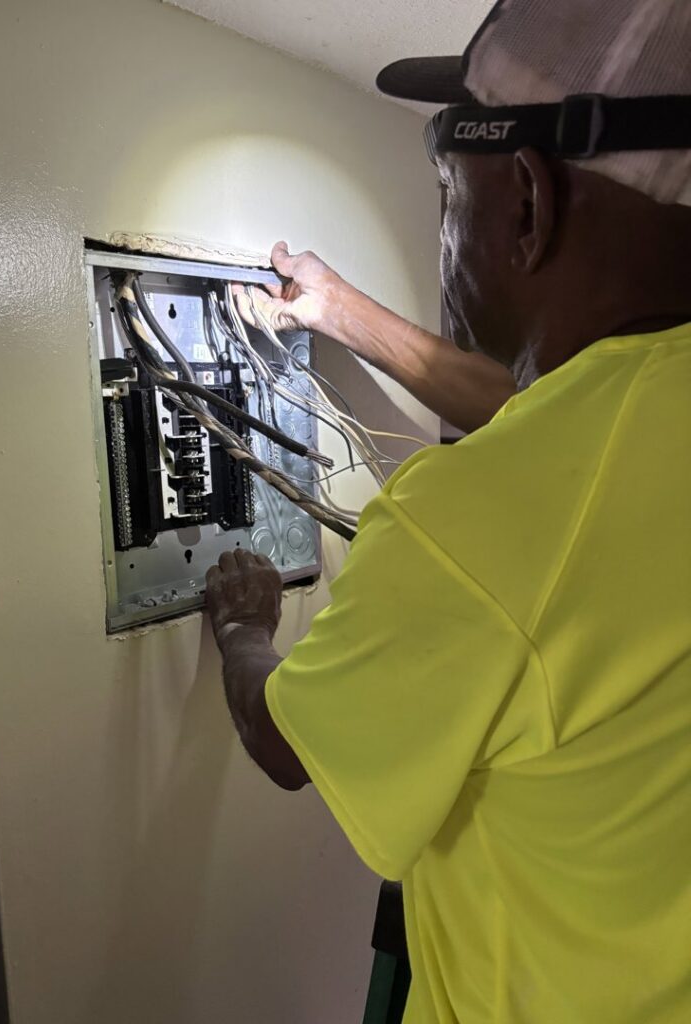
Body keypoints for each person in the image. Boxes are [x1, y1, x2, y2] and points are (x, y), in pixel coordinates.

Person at [205, 1, 691, 1021]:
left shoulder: (471, 518)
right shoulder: (636, 432)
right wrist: (337, 311)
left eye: (446, 192)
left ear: (526, 197)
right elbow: (556, 425)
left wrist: (244, 626)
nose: (444, 229)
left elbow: (287, 742)